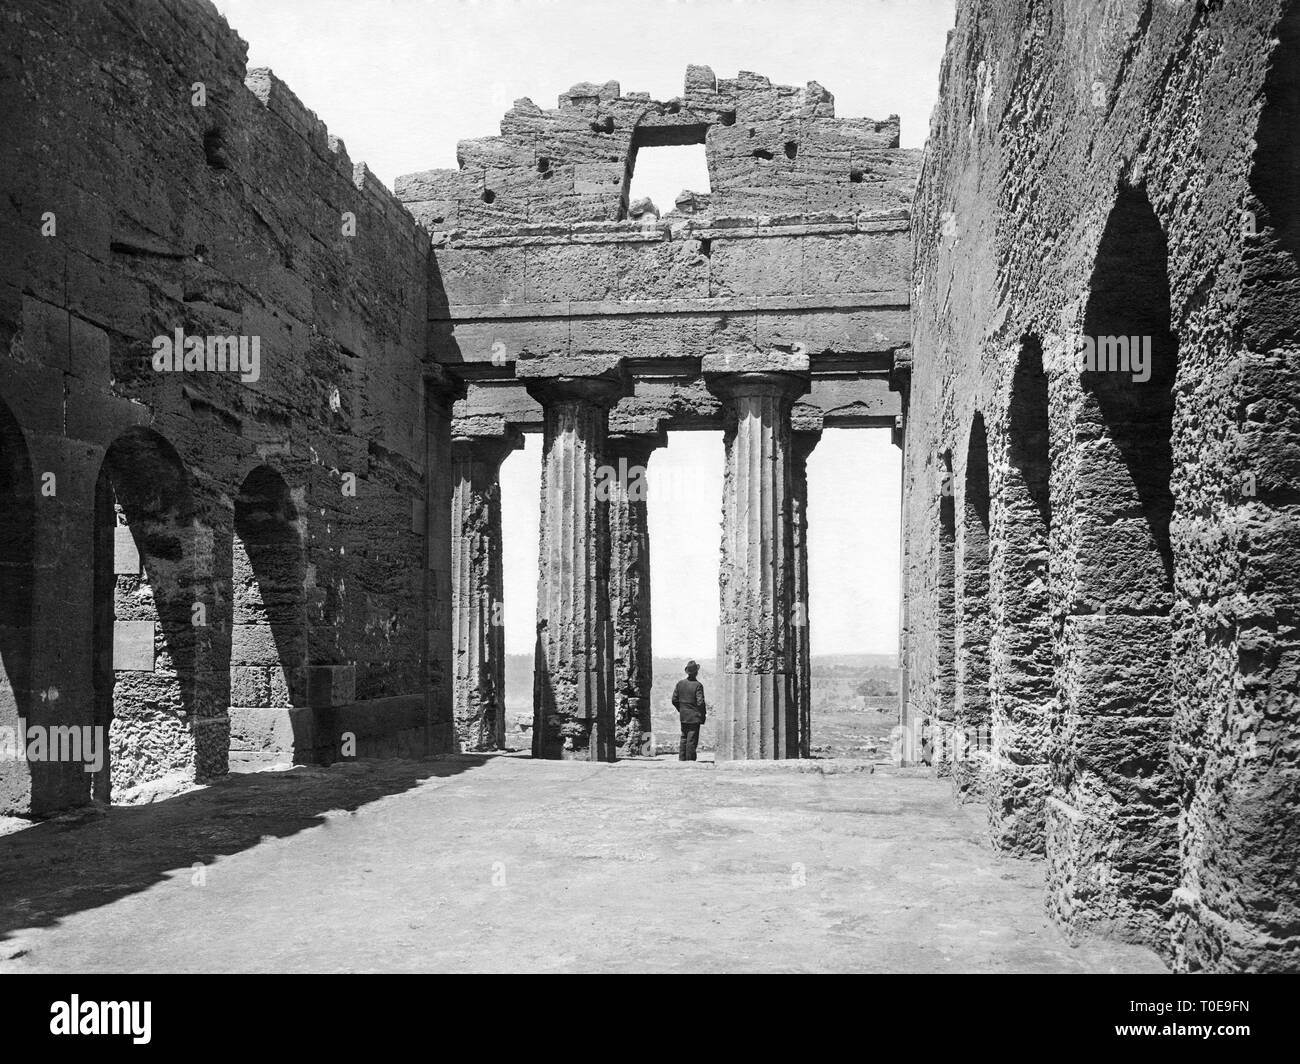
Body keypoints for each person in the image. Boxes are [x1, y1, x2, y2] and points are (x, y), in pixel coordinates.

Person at [672, 660, 706, 761]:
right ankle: (690, 761)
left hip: (683, 715)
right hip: (694, 716)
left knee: (684, 738)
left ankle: (682, 759)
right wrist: (702, 714)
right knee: (691, 739)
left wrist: (682, 709)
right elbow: (700, 702)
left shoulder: (680, 684)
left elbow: (674, 700)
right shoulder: (698, 685)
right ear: (696, 672)